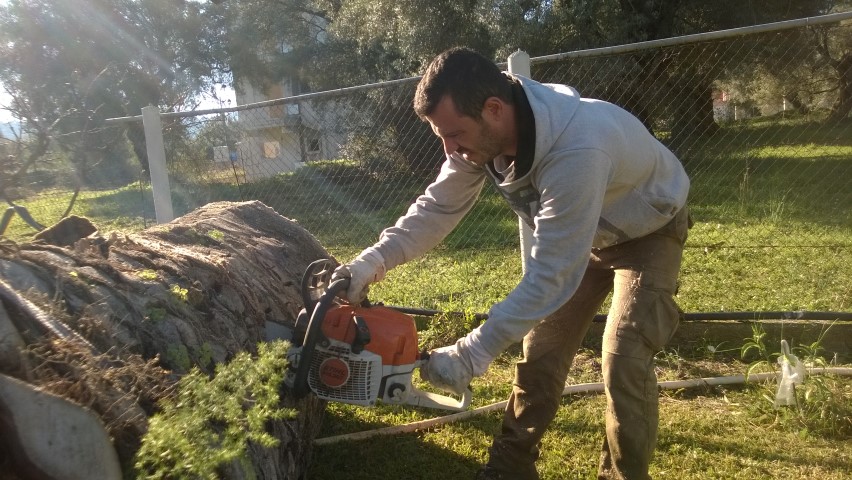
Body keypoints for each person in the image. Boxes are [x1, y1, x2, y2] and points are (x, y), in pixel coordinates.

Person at [333, 47, 691, 480]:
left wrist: (471, 354)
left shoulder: (578, 148)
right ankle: (510, 469)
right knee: (541, 351)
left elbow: (553, 273)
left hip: (647, 232)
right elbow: (437, 209)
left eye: (455, 134)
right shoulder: (480, 140)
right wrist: (371, 262)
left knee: (624, 358)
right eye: (442, 135)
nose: (449, 148)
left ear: (494, 109)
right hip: (582, 236)